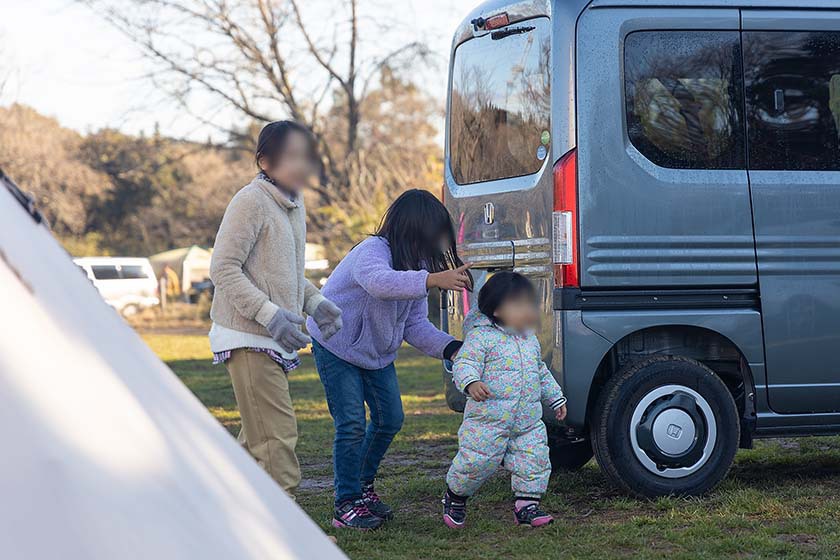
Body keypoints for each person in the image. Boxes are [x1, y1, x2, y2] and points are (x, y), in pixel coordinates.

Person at [307, 189, 472, 530]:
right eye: (434, 235)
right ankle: (346, 502)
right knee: (351, 423)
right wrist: (431, 280)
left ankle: (363, 487)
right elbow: (380, 283)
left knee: (390, 419)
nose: (437, 244)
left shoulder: (419, 265)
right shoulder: (372, 251)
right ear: (414, 229)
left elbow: (414, 324)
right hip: (336, 345)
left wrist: (451, 347)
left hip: (377, 354)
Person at [208, 121, 343, 497]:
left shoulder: (293, 205)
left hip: (271, 338)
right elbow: (222, 268)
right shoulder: (250, 201)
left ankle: (217, 516)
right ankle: (286, 540)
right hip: (248, 337)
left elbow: (285, 275)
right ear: (265, 161)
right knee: (276, 440)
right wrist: (269, 314)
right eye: (293, 157)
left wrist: (317, 304)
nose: (303, 165)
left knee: (255, 446)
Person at [442, 272, 567, 529]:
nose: (527, 310)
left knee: (534, 459)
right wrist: (471, 383)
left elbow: (540, 372)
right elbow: (465, 363)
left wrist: (556, 398)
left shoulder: (528, 339)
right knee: (475, 462)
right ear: (497, 310)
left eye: (529, 304)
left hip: (527, 421)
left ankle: (527, 505)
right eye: (519, 304)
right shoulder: (481, 337)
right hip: (488, 420)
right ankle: (455, 496)